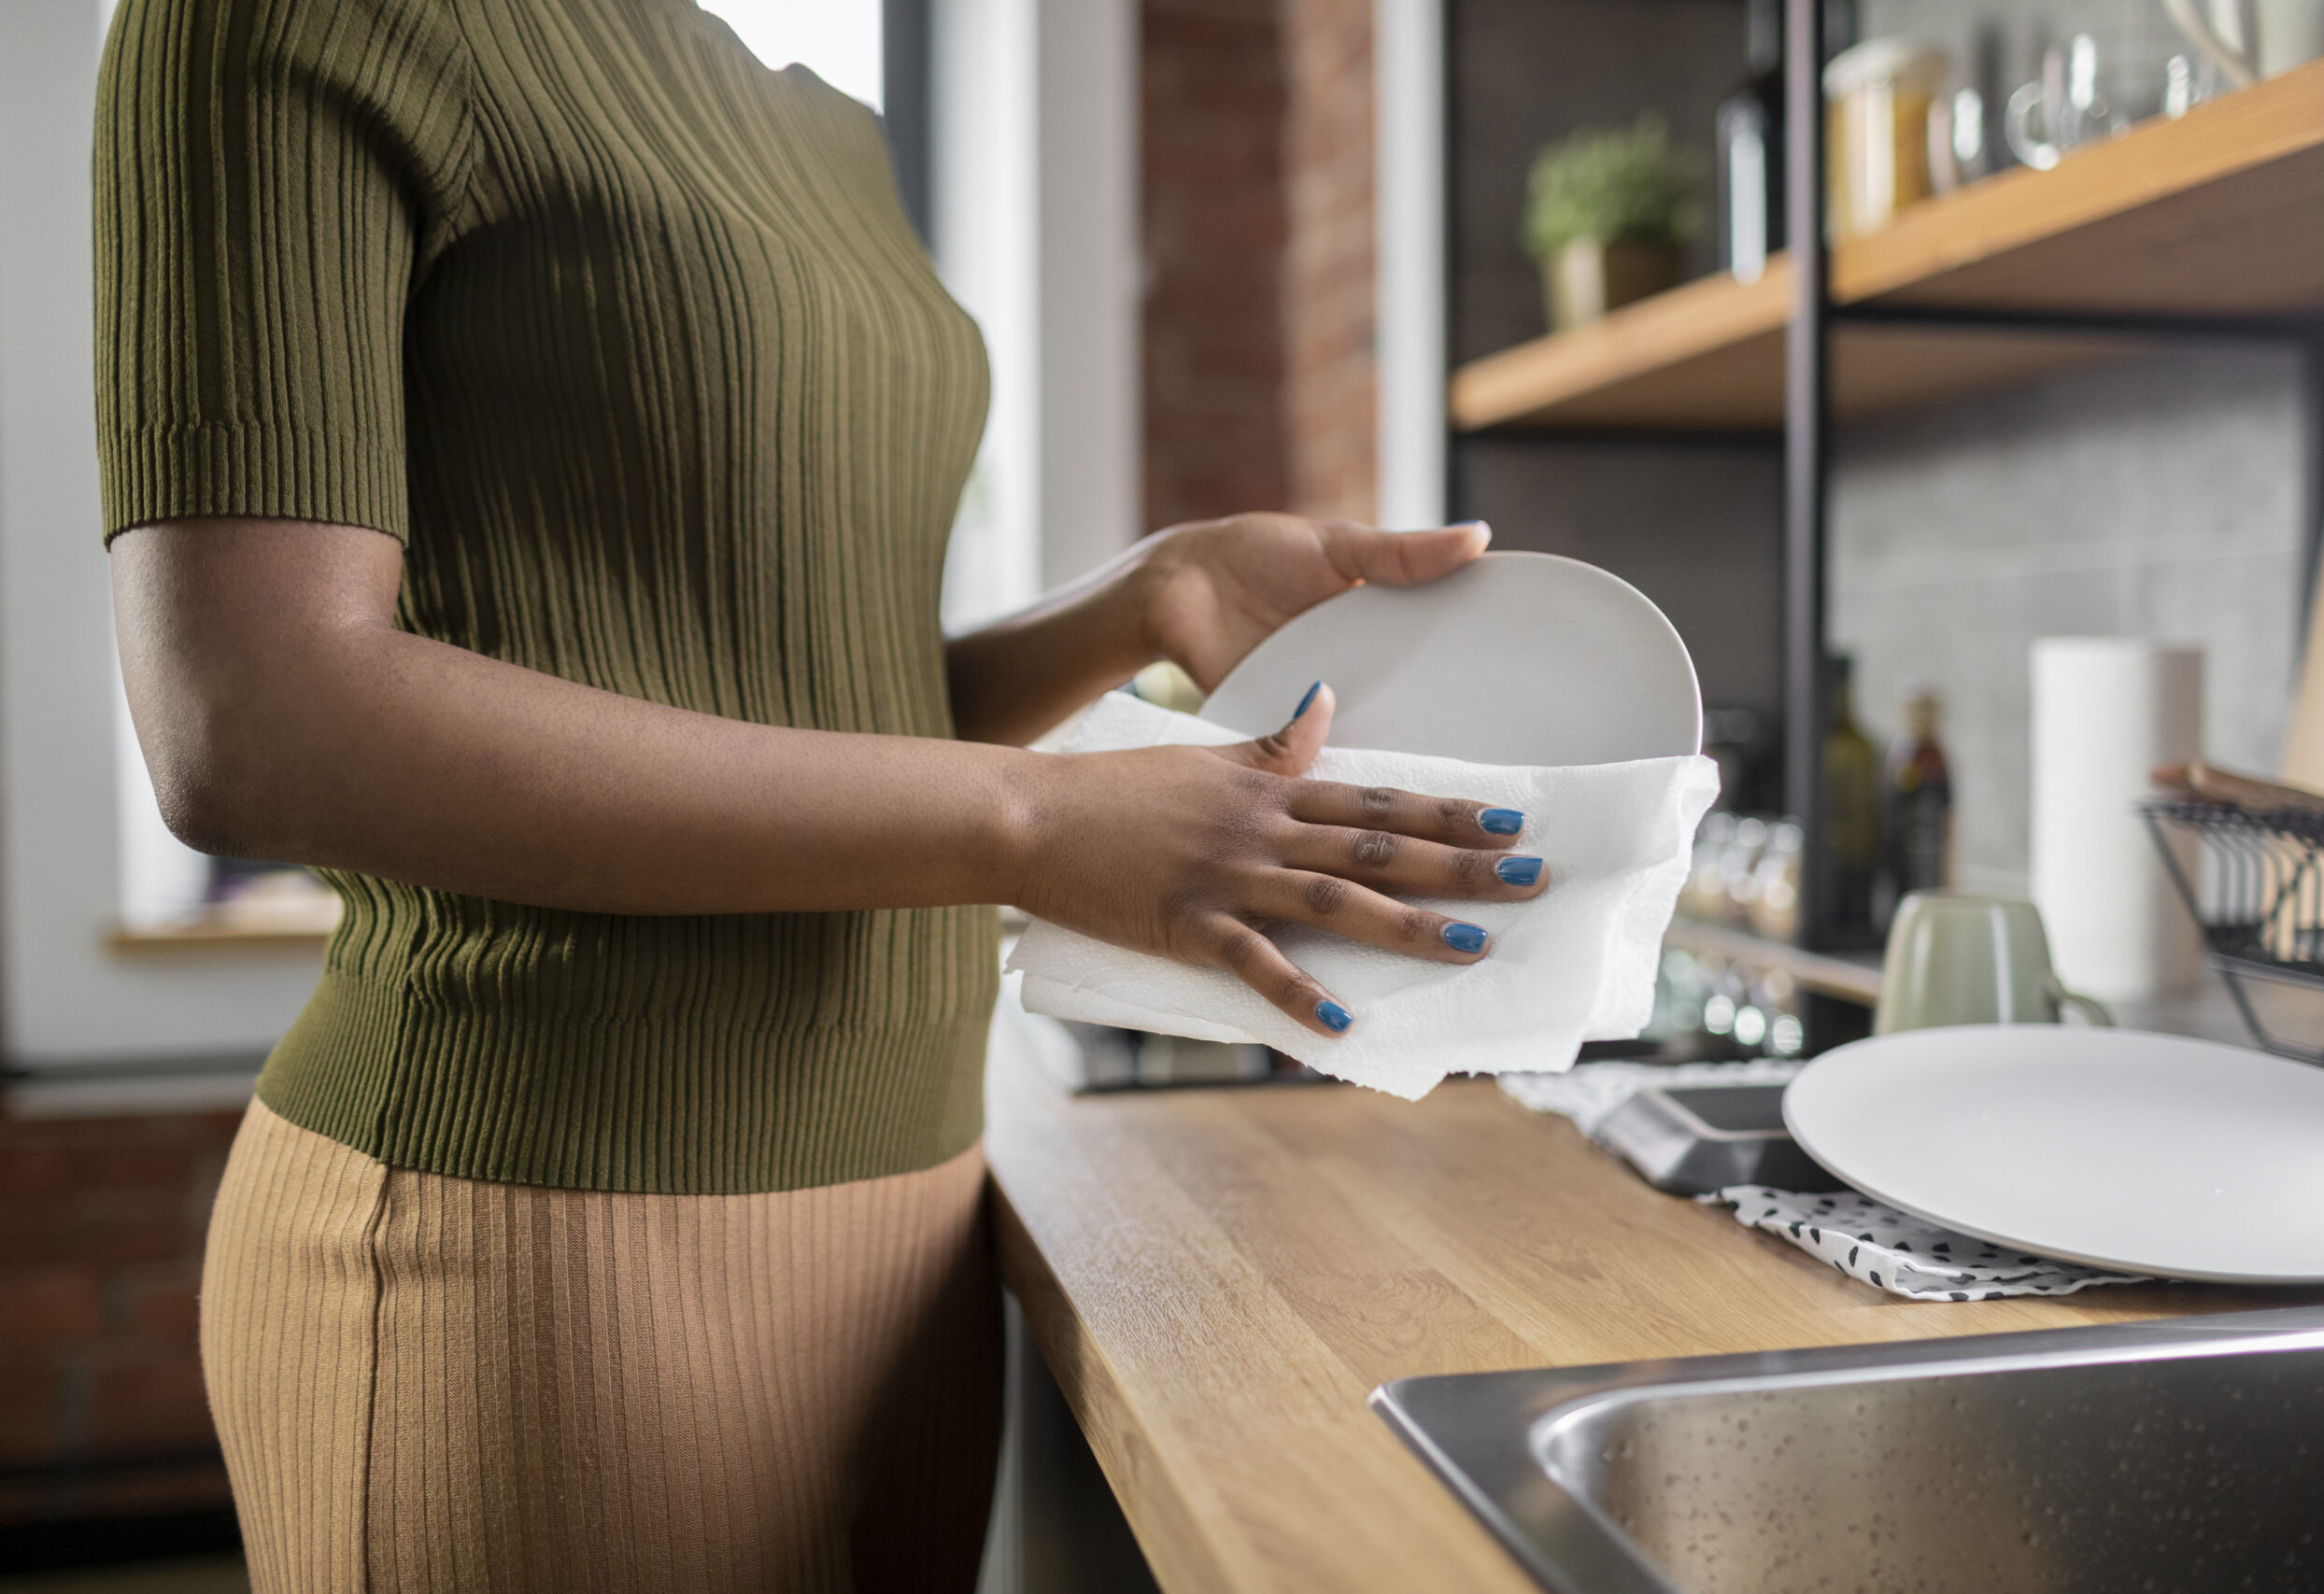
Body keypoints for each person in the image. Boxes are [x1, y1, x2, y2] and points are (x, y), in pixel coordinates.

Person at [93, 0, 1546, 1588]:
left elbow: (802, 692)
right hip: (538, 1245)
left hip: (917, 1211)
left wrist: (1142, 599)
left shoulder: (819, 126)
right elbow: (252, 718)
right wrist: (1039, 825)